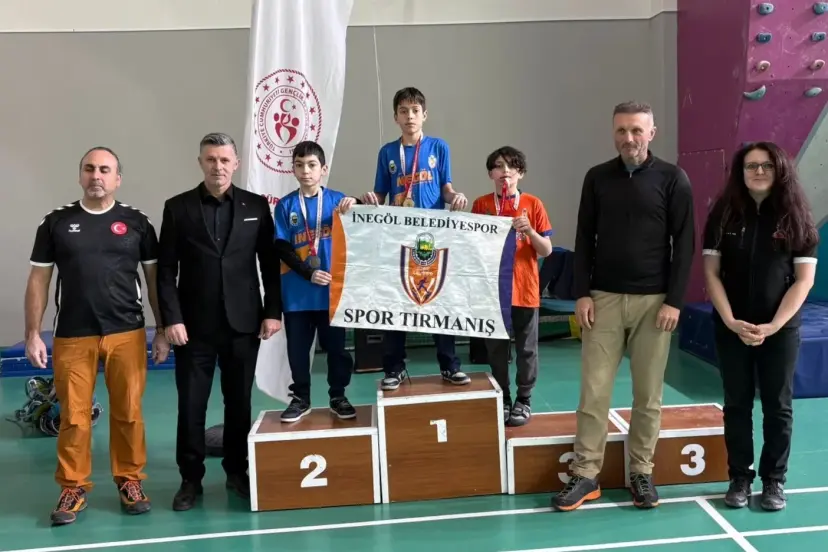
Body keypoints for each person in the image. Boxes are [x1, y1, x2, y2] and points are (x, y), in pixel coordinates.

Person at [553, 101, 695, 512]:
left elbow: (685, 243)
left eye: (636, 130)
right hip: (603, 301)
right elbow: (584, 238)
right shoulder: (597, 178)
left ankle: (641, 472)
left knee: (648, 395)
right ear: (613, 133)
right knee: (593, 392)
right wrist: (582, 293)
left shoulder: (673, 178)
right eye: (621, 130)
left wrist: (674, 301)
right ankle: (585, 474)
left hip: (655, 304)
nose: (628, 138)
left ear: (651, 133)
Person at [24, 146, 169, 526]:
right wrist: (32, 334)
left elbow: (155, 281)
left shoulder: (137, 223)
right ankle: (73, 487)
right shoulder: (56, 222)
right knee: (74, 417)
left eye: (105, 170)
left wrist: (161, 331)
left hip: (127, 333)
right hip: (73, 335)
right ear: (80, 176)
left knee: (128, 413)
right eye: (89, 169)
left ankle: (130, 480)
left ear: (117, 178)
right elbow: (39, 280)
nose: (96, 176)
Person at [157, 132, 282, 511]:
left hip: (244, 324)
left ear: (236, 163)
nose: (218, 167)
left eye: (225, 160)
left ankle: (237, 471)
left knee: (238, 403)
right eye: (211, 159)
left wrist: (272, 311)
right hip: (192, 328)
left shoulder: (256, 206)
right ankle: (190, 479)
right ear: (200, 163)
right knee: (191, 405)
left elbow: (269, 264)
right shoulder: (177, 208)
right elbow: (166, 271)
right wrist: (171, 319)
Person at [702, 141, 817, 511]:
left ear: (779, 169)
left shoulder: (796, 216)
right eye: (751, 166)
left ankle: (773, 481)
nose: (759, 172)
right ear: (741, 172)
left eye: (766, 165)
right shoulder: (723, 214)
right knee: (736, 404)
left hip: (780, 331)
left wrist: (773, 325)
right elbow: (711, 274)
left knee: (777, 406)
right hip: (731, 327)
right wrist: (730, 320)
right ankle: (739, 477)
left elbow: (804, 281)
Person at [359, 86, 470, 390]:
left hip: (432, 237)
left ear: (425, 115)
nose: (410, 116)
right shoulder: (387, 153)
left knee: (438, 299)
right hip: (399, 237)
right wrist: (371, 199)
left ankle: (449, 365)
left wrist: (456, 197)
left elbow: (446, 189)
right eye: (403, 111)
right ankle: (393, 369)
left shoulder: (438, 147)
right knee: (397, 303)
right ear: (395, 117)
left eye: (415, 111)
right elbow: (381, 194)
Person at [273, 141, 357, 422]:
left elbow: (361, 227)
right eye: (299, 165)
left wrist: (357, 203)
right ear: (293, 169)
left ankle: (338, 395)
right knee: (297, 351)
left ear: (324, 169)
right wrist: (307, 272)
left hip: (332, 293)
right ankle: (301, 398)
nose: (306, 171)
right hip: (297, 294)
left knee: (337, 349)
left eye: (311, 165)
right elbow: (282, 247)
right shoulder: (285, 205)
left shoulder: (338, 201)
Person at [471, 146, 553, 426]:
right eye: (498, 166)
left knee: (527, 349)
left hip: (525, 289)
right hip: (493, 292)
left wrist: (529, 230)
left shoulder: (533, 204)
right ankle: (503, 397)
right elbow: (472, 247)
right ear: (490, 174)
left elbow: (547, 250)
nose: (505, 171)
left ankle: (524, 399)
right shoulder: (481, 205)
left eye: (511, 166)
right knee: (495, 349)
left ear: (521, 173)